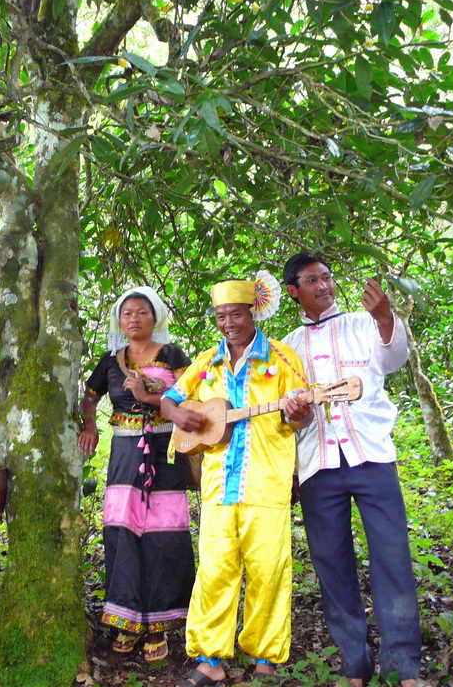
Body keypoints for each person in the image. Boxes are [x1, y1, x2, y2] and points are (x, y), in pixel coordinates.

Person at [281, 252, 427, 687]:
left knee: (393, 559)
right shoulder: (287, 347)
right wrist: (296, 415)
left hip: (372, 458)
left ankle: (403, 668)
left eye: (327, 278)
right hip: (317, 467)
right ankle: (354, 666)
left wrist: (385, 318)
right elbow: (289, 418)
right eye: (312, 280)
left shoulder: (363, 324)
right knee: (332, 568)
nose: (324, 285)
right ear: (294, 291)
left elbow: (393, 358)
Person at [161, 274, 312, 687]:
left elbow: (304, 414)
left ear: (253, 312)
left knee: (268, 569)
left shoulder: (281, 358)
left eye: (236, 314)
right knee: (214, 571)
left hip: (267, 483)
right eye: (221, 315)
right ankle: (210, 659)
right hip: (217, 488)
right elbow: (169, 399)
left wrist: (298, 411)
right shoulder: (207, 362)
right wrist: (180, 415)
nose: (228, 322)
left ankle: (265, 657)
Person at [78, 287, 194, 662]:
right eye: (127, 313)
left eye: (141, 312)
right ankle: (126, 620)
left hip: (166, 450)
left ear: (155, 316)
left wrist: (154, 396)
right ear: (119, 320)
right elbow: (90, 396)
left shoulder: (173, 355)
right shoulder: (112, 361)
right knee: (123, 531)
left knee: (164, 534)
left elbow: (196, 393)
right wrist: (91, 425)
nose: (133, 319)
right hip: (125, 453)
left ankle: (159, 623)